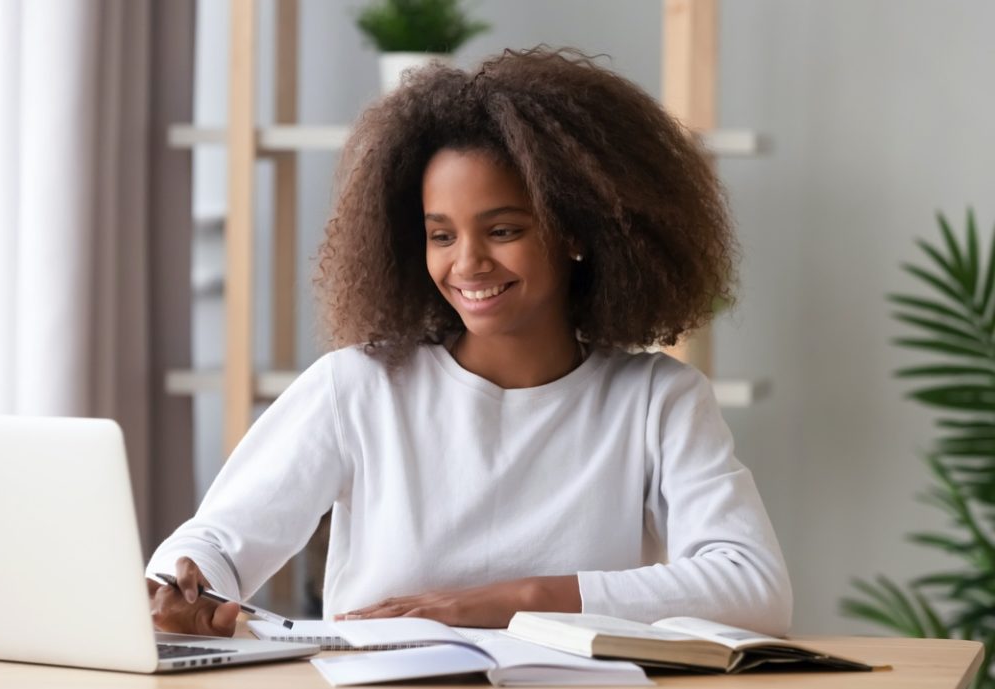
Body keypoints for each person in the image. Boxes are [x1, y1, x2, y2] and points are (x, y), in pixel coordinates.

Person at [146, 47, 793, 638]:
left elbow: (754, 586)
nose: (468, 263)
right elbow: (215, 546)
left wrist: (515, 599)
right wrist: (182, 588)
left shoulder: (657, 399)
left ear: (576, 232)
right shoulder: (359, 385)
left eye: (503, 229)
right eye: (442, 234)